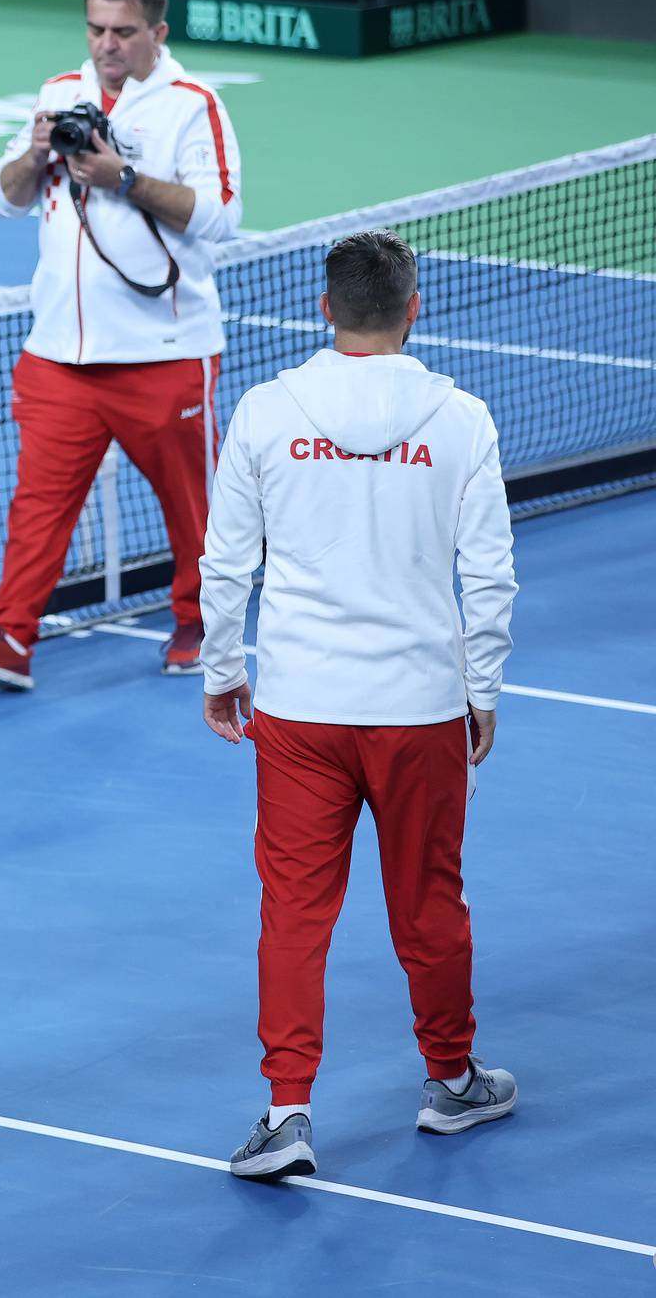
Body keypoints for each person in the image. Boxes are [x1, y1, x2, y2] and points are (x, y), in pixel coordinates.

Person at [197, 230, 520, 1179]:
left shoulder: (266, 410)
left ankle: (287, 1111)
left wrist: (223, 667)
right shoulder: (460, 418)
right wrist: (484, 685)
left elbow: (226, 563)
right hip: (418, 706)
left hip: (300, 709)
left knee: (294, 909)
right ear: (412, 308)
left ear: (326, 307)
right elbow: (490, 571)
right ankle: (452, 1081)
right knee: (429, 901)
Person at [0, 0, 243, 691]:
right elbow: (3, 197)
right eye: (98, 29)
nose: (107, 44)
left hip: (165, 354)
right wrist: (37, 153)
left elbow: (222, 216)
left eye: (125, 31)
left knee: (194, 509)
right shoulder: (59, 94)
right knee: (37, 509)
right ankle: (11, 638)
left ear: (157, 31)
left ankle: (201, 623)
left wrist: (122, 180)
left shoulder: (193, 104)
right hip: (58, 357)